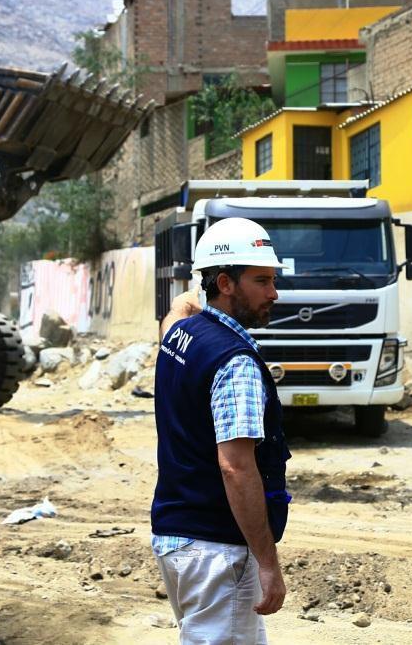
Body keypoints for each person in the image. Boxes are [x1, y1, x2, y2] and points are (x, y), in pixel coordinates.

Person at [152, 216, 291, 644]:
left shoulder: (181, 335)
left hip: (177, 540)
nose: (274, 293)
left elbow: (177, 310)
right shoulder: (235, 363)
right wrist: (268, 564)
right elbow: (235, 467)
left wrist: (196, 295)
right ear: (226, 283)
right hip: (216, 549)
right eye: (262, 281)